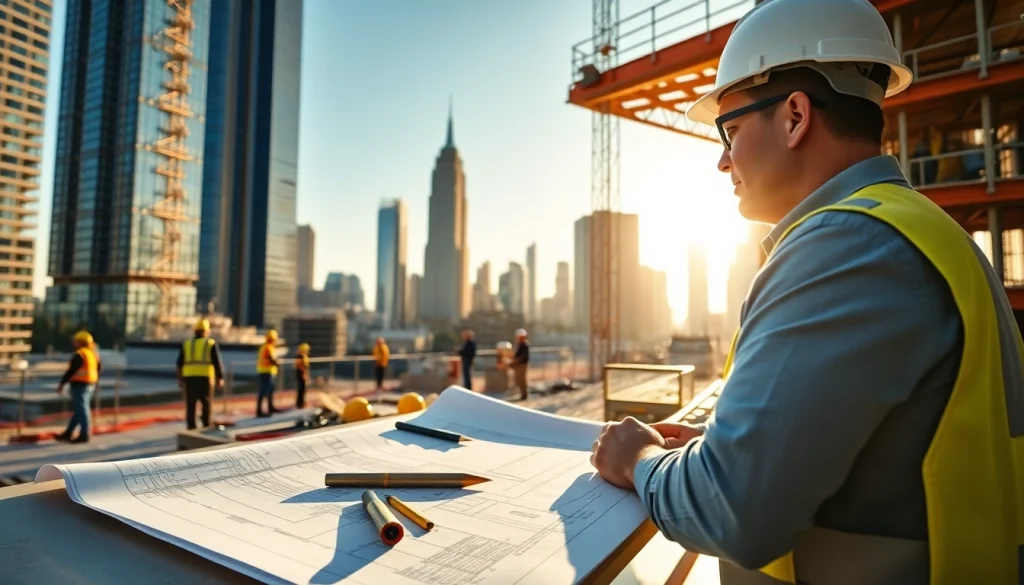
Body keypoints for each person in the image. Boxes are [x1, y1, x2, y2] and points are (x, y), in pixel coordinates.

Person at [589, 1, 1022, 583]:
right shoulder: (917, 230)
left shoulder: (844, 247)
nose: (722, 161)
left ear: (795, 116)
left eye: (730, 130)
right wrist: (728, 447)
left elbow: (733, 513)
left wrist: (638, 459)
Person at [176, 318, 225, 430]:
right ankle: (206, 424)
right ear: (206, 331)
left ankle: (191, 426)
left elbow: (179, 363)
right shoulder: (210, 343)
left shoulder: (187, 344)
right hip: (205, 378)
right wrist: (220, 378)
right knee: (206, 402)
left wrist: (180, 379)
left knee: (191, 404)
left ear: (195, 331)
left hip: (189, 378)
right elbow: (217, 362)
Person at [55, 330, 101, 443]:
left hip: (80, 384)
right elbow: (99, 368)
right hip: (90, 384)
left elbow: (71, 370)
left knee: (82, 408)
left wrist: (62, 384)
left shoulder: (80, 354)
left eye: (75, 341)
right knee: (79, 409)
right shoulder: (92, 354)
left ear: (80, 342)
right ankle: (68, 433)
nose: (73, 343)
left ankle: (84, 434)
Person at [256, 329, 280, 417]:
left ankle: (270, 407)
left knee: (270, 390)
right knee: (264, 390)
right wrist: (277, 363)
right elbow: (271, 359)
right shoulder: (268, 347)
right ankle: (259, 411)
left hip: (268, 371)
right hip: (265, 371)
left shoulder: (268, 347)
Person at [510, 328, 529, 400]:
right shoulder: (521, 345)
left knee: (521, 380)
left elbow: (522, 357)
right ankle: (522, 394)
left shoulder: (524, 345)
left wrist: (515, 361)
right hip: (519, 365)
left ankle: (524, 395)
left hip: (522, 365)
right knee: (519, 380)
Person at [294, 342, 310, 409]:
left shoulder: (303, 355)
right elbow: (300, 366)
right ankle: (300, 403)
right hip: (301, 373)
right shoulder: (300, 356)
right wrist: (304, 373)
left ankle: (302, 402)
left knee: (303, 389)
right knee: (301, 388)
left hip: (302, 373)